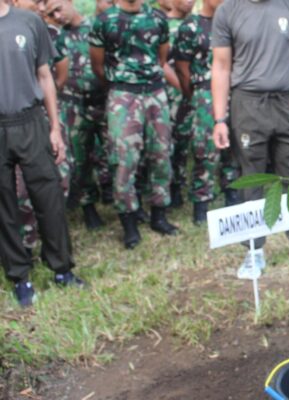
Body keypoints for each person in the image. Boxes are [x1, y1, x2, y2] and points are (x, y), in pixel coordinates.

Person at [211, 0, 289, 279]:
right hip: (248, 102)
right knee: (252, 176)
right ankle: (254, 252)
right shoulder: (229, 10)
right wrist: (220, 118)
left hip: (287, 101)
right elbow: (220, 66)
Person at [0, 0, 84, 307]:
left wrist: (54, 128)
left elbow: (45, 76)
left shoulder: (28, 22)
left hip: (30, 121)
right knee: (4, 204)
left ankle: (61, 268)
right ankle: (20, 276)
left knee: (48, 193)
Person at [89, 0, 179, 249]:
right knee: (124, 159)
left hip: (155, 92)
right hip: (123, 95)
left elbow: (161, 58)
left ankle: (159, 215)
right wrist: (121, 85)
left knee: (161, 155)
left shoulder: (158, 19)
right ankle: (129, 223)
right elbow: (98, 65)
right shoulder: (105, 21)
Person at [173, 0, 238, 224]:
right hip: (204, 92)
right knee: (205, 151)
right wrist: (195, 97)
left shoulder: (232, 22)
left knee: (234, 149)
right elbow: (182, 68)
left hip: (235, 90)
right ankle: (201, 204)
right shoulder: (191, 27)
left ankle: (233, 196)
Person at [51, 0, 107, 230]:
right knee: (80, 157)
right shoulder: (56, 37)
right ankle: (89, 207)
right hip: (73, 104)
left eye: (58, 8)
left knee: (115, 152)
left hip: (103, 99)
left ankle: (122, 200)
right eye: (52, 13)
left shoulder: (96, 26)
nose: (57, 15)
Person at [166, 0, 194, 208]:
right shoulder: (163, 25)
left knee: (184, 143)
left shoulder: (196, 25)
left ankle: (178, 185)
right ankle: (166, 187)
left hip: (192, 94)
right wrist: (182, 88)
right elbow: (161, 62)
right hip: (170, 95)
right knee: (169, 143)